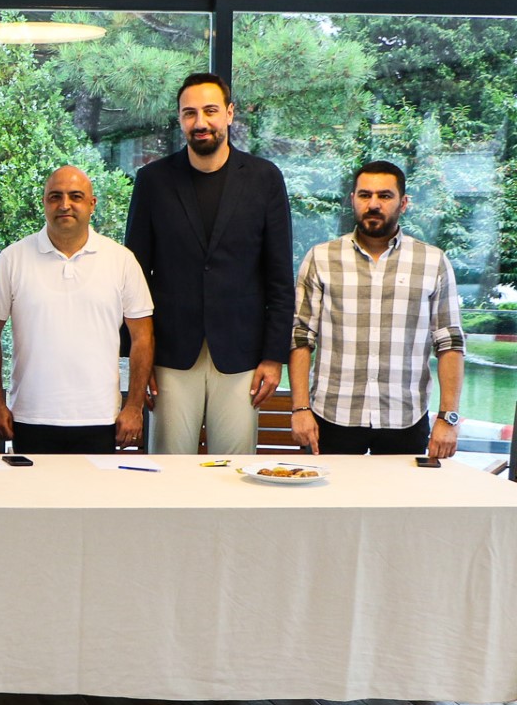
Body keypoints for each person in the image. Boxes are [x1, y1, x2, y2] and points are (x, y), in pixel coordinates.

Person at [124, 72, 294, 455]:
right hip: (169, 356)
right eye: (190, 113)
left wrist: (273, 356)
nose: (200, 122)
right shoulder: (153, 181)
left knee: (234, 475)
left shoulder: (265, 179)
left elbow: (280, 278)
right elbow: (134, 279)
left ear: (230, 114)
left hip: (242, 355)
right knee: (166, 470)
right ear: (180, 119)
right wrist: (137, 364)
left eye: (210, 111)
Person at [291, 160, 465, 458]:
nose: (373, 204)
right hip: (333, 415)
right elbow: (301, 336)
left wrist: (448, 418)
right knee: (331, 491)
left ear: (403, 203)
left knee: (402, 492)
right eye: (365, 195)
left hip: (405, 417)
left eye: (385, 196)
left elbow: (450, 343)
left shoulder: (432, 261)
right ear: (353, 200)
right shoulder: (321, 258)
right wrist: (300, 408)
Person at [0, 166, 155, 454]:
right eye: (55, 197)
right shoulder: (12, 259)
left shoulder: (121, 260)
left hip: (100, 418)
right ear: (44, 203)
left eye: (75, 196)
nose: (64, 205)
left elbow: (143, 338)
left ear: (92, 204)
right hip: (29, 417)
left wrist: (133, 406)